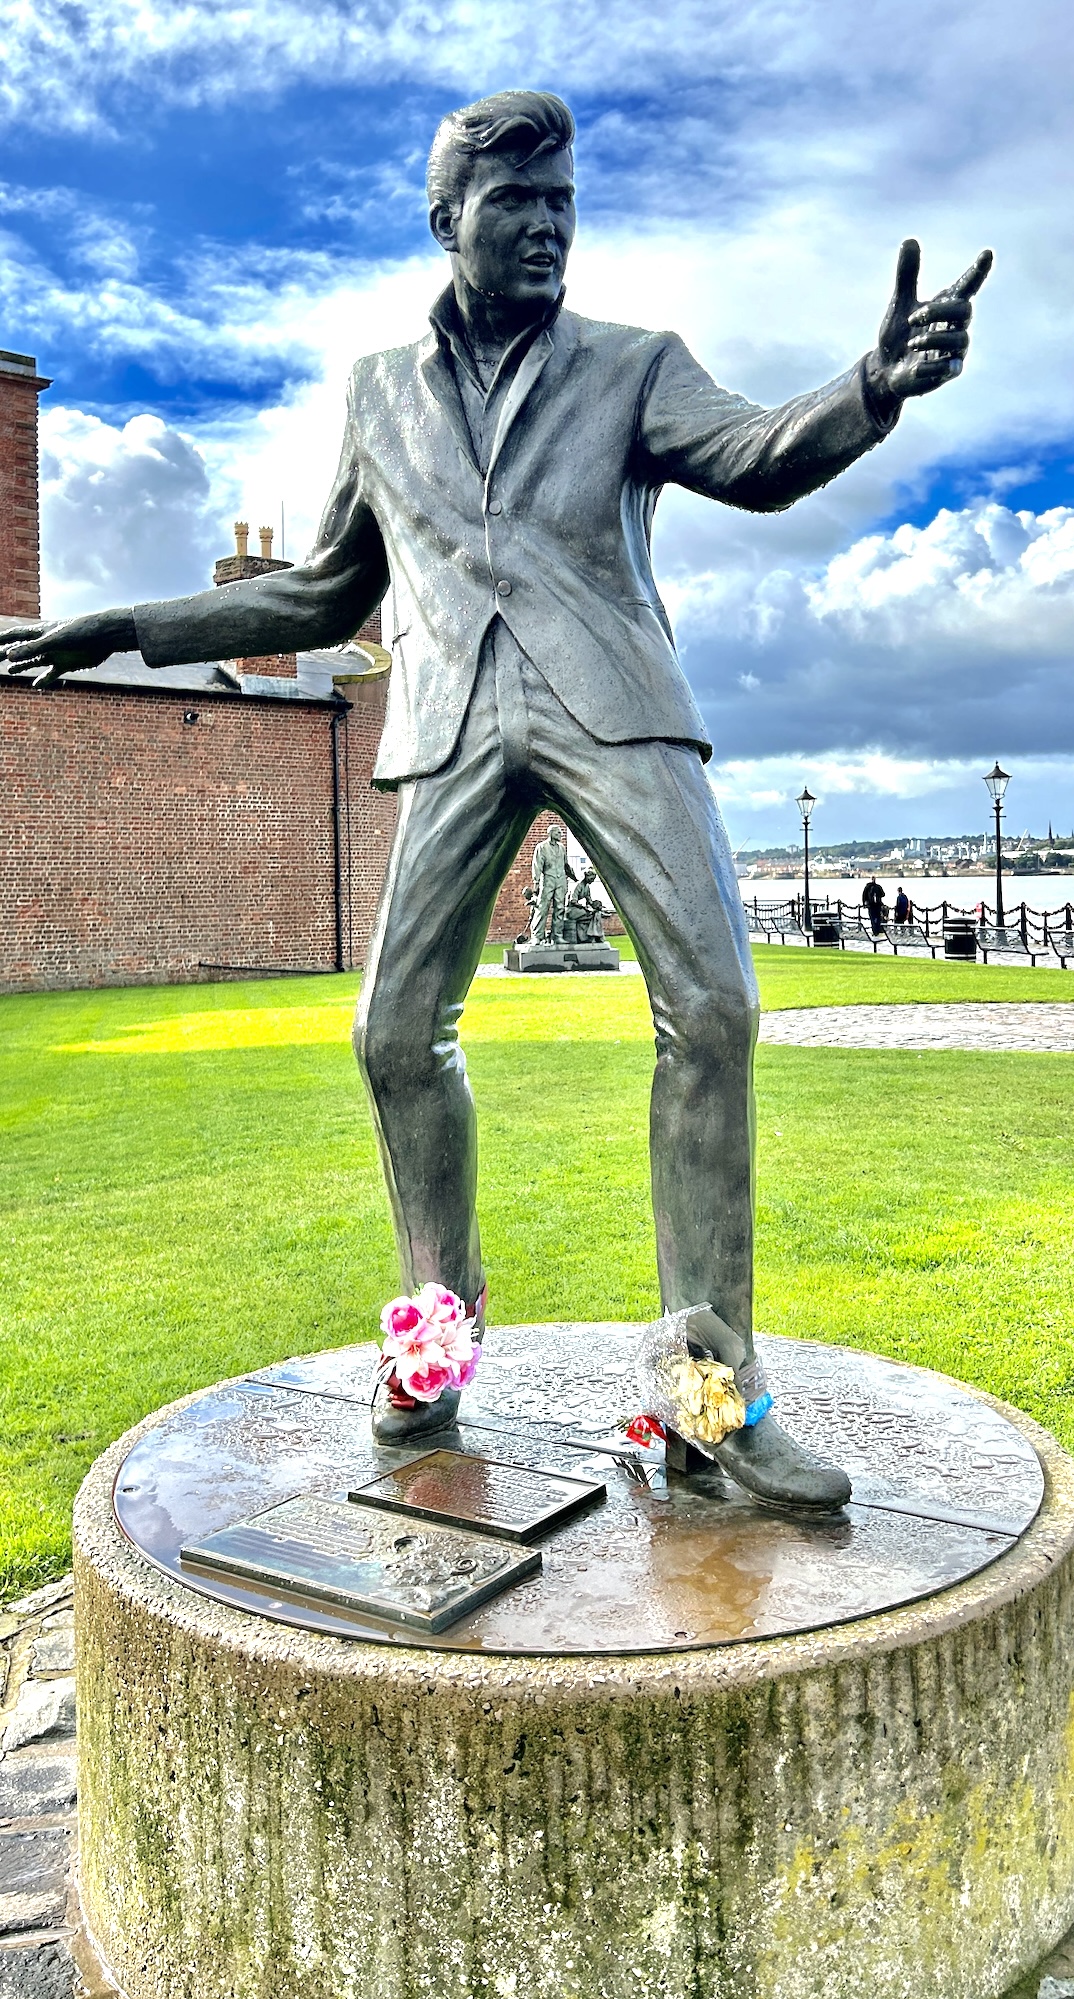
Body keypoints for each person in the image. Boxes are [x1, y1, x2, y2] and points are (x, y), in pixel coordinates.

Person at [0, 90, 988, 1511]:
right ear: (446, 216)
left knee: (710, 1011)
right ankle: (435, 1350)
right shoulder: (375, 391)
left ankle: (710, 1395)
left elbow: (758, 456)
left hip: (619, 711)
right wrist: (127, 629)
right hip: (452, 721)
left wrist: (870, 387)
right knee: (396, 1033)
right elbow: (328, 587)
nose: (546, 229)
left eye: (564, 207)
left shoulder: (634, 364)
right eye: (518, 204)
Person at [530, 824, 571, 943]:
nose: (561, 835)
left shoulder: (562, 847)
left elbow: (566, 864)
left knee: (560, 908)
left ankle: (557, 936)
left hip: (561, 879)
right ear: (551, 833)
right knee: (542, 907)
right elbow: (537, 865)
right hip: (548, 879)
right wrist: (536, 882)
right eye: (558, 832)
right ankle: (537, 936)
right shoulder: (542, 847)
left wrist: (572, 876)